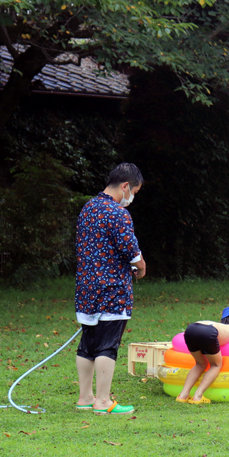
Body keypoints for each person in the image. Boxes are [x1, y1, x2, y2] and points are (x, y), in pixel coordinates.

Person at [74, 163, 145, 415]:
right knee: (107, 345)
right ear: (125, 186)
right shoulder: (117, 213)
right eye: (134, 191)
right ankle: (103, 401)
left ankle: (85, 398)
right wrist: (141, 265)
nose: (132, 197)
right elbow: (130, 249)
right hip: (112, 289)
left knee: (87, 344)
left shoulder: (88, 208)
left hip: (85, 288)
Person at [175, 306, 229, 404]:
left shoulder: (220, 326)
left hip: (191, 329)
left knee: (200, 364)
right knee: (216, 365)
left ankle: (183, 395)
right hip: (207, 332)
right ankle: (198, 396)